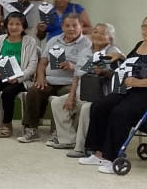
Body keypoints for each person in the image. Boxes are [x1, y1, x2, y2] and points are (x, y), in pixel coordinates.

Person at [81, 14, 147, 174]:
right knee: (100, 106)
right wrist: (119, 57)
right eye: (145, 27)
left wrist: (139, 82)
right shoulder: (140, 45)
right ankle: (98, 153)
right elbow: (130, 63)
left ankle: (112, 158)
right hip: (133, 89)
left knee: (120, 112)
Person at [17, 12, 91, 142]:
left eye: (75, 25)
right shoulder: (53, 40)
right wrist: (41, 77)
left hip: (71, 83)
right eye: (67, 25)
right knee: (34, 90)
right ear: (62, 27)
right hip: (49, 81)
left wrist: (73, 66)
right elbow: (43, 62)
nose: (71, 29)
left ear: (81, 26)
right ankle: (32, 129)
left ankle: (60, 132)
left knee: (68, 96)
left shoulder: (87, 44)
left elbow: (89, 67)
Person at [52, 22, 124, 156]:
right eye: (95, 32)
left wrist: (104, 72)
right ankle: (68, 140)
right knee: (57, 102)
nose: (98, 35)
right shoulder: (85, 51)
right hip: (82, 92)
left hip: (101, 96)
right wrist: (71, 96)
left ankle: (82, 147)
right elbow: (77, 76)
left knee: (86, 108)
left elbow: (119, 76)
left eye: (103, 33)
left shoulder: (114, 53)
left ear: (110, 37)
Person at [0, 12, 40, 140]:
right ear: (6, 25)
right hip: (0, 76)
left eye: (18, 24)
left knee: (8, 93)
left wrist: (18, 78)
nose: (14, 27)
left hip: (20, 79)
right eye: (11, 24)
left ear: (23, 26)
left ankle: (7, 124)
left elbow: (32, 66)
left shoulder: (30, 41)